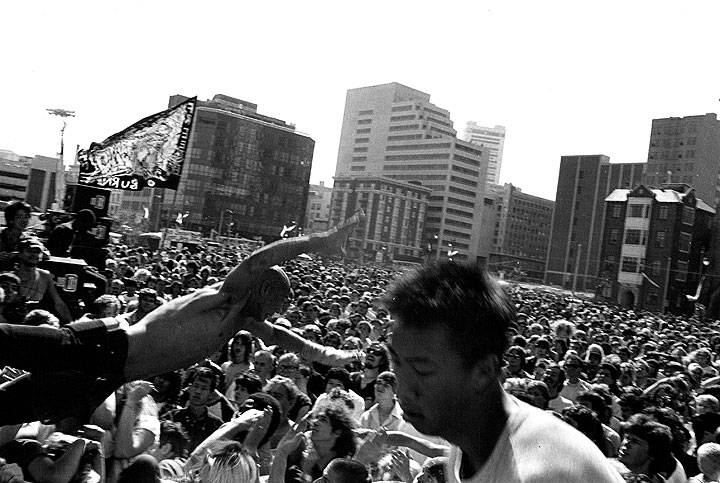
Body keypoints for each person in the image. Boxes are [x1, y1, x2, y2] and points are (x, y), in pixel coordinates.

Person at [0, 212, 364, 425]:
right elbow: (260, 260)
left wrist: (330, 356)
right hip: (98, 346)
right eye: (276, 303)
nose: (276, 313)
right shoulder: (227, 297)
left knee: (6, 408)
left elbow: (290, 341)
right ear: (261, 290)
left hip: (105, 375)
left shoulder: (243, 323)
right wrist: (321, 240)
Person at [382, 262, 623, 482]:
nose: (403, 390)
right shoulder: (468, 436)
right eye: (397, 363)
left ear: (482, 371)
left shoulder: (541, 471)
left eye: (422, 369)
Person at [14, 237, 73, 324]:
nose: (34, 255)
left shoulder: (45, 276)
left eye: (37, 252)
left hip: (33, 321)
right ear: (20, 254)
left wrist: (71, 324)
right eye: (29, 251)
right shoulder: (10, 276)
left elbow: (59, 304)